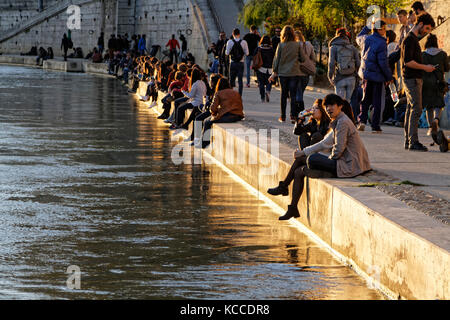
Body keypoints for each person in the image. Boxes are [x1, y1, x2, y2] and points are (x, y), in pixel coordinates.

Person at [267, 94, 371, 221]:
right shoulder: (338, 121)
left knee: (311, 159)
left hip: (348, 166)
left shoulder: (343, 123)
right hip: (343, 162)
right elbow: (324, 143)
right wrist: (304, 152)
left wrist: (324, 159)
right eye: (326, 106)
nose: (328, 109)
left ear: (340, 106)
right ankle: (292, 207)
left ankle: (283, 187)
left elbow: (338, 150)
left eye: (332, 105)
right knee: (300, 171)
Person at [401, 13, 436, 151]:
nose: (427, 32)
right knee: (416, 109)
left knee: (411, 109)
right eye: (426, 28)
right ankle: (413, 141)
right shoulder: (410, 39)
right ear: (420, 24)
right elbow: (408, 62)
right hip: (412, 78)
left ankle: (408, 140)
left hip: (413, 78)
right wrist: (425, 67)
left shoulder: (412, 39)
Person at [356, 19, 393, 134]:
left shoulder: (365, 39)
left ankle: (362, 121)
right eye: (384, 28)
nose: (384, 31)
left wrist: (368, 26)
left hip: (366, 74)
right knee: (377, 101)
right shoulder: (382, 42)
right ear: (379, 29)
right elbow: (382, 62)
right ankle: (375, 126)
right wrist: (388, 76)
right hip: (378, 76)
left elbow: (359, 36)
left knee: (365, 99)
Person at [269, 25, 305, 123]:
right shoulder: (297, 45)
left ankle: (282, 116)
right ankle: (293, 116)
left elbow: (276, 60)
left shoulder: (281, 45)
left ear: (283, 34)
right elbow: (303, 59)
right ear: (293, 34)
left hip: (283, 74)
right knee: (293, 95)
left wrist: (274, 72)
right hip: (294, 72)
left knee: (283, 95)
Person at [421, 34, 449, 148]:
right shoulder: (442, 54)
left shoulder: (422, 54)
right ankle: (436, 120)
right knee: (438, 105)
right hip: (439, 83)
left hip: (426, 84)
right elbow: (447, 68)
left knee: (429, 107)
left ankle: (431, 127)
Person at [200, 77, 245, 148]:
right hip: (238, 115)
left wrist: (216, 112)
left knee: (206, 121)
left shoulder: (219, 93)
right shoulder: (235, 92)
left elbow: (212, 109)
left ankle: (204, 143)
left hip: (228, 116)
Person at [328, 28, 361, 102]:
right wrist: (356, 74)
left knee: (339, 103)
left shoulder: (333, 47)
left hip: (340, 77)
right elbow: (358, 63)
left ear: (336, 35)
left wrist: (330, 76)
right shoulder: (352, 47)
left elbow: (331, 63)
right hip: (351, 78)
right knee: (348, 103)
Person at [295, 29, 315, 113]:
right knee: (301, 92)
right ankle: (301, 113)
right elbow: (313, 58)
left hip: (296, 72)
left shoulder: (294, 45)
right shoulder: (308, 44)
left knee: (297, 94)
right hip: (306, 72)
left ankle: (299, 113)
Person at [225, 28, 249, 96]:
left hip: (232, 62)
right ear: (239, 34)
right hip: (241, 63)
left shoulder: (229, 42)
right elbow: (247, 53)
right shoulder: (244, 42)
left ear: (233, 34)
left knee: (231, 80)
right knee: (240, 80)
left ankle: (230, 94)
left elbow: (227, 53)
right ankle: (239, 95)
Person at [254, 35, 274, 103]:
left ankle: (262, 97)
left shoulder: (259, 48)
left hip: (260, 68)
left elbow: (254, 56)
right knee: (269, 82)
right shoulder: (271, 49)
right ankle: (268, 91)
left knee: (261, 83)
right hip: (270, 69)